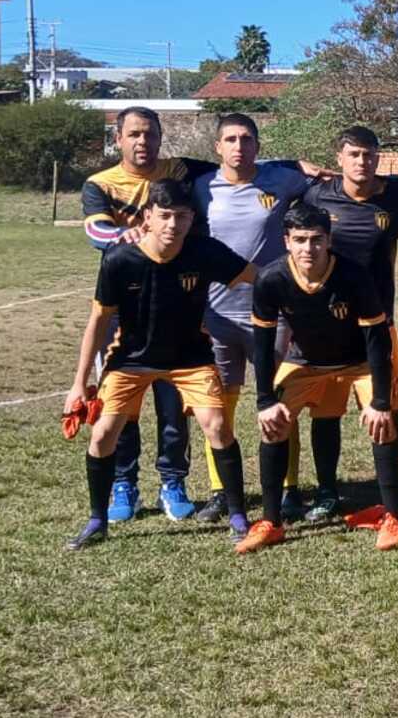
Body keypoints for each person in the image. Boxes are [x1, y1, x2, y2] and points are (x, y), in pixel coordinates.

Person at [61, 179, 256, 550]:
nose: (172, 225)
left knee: (217, 426)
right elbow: (97, 323)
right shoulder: (119, 259)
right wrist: (78, 383)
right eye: (164, 216)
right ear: (147, 218)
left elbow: (256, 279)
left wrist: (290, 307)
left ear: (191, 218)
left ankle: (237, 515)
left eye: (181, 217)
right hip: (131, 360)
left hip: (191, 359)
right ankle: (97, 520)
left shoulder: (205, 251)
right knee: (103, 435)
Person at [236, 204, 398, 553]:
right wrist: (265, 400)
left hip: (359, 361)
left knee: (384, 421)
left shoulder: (354, 276)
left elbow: (376, 339)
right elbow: (264, 345)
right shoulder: (271, 279)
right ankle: (271, 521)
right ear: (286, 241)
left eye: (316, 240)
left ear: (328, 240)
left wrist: (380, 402)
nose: (307, 249)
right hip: (306, 361)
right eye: (299, 240)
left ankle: (392, 515)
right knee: (274, 422)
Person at [79, 106, 216, 523]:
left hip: (181, 303)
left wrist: (291, 166)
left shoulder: (180, 170)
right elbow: (94, 231)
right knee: (121, 406)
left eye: (151, 134)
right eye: (135, 134)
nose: (143, 142)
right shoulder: (99, 184)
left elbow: (238, 166)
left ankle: (173, 480)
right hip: (127, 307)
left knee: (173, 403)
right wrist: (129, 233)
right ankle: (124, 483)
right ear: (117, 139)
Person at [191, 113, 315, 524]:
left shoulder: (282, 180)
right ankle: (221, 491)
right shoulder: (201, 188)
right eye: (230, 139)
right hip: (218, 313)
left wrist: (304, 166)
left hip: (273, 313)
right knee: (218, 404)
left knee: (280, 402)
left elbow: (317, 180)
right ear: (217, 147)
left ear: (258, 145)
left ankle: (288, 487)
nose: (238, 146)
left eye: (246, 139)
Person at [299, 127, 398, 525]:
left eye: (369, 154)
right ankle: (326, 491)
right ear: (338, 158)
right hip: (324, 325)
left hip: (376, 323)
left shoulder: (396, 196)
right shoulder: (316, 195)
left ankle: (393, 492)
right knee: (325, 412)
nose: (362, 161)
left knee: (385, 410)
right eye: (354, 154)